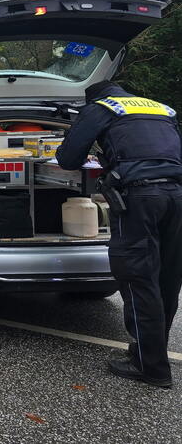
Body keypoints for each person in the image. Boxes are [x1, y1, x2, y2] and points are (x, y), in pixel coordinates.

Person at [56, 79, 182, 389]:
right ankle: (150, 353)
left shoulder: (100, 108)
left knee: (138, 276)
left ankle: (151, 367)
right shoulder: (161, 109)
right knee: (167, 278)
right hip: (177, 195)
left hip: (139, 198)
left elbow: (68, 159)